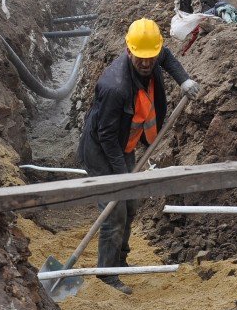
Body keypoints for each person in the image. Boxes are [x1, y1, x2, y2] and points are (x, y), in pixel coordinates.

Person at [76, 18, 201, 295]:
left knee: (130, 205)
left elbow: (167, 57)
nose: (147, 64)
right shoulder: (115, 86)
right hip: (101, 152)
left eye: (150, 57)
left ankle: (120, 259)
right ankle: (107, 274)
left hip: (125, 145)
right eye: (141, 58)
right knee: (114, 211)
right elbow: (107, 136)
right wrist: (122, 177)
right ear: (128, 50)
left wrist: (184, 80)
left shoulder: (155, 55)